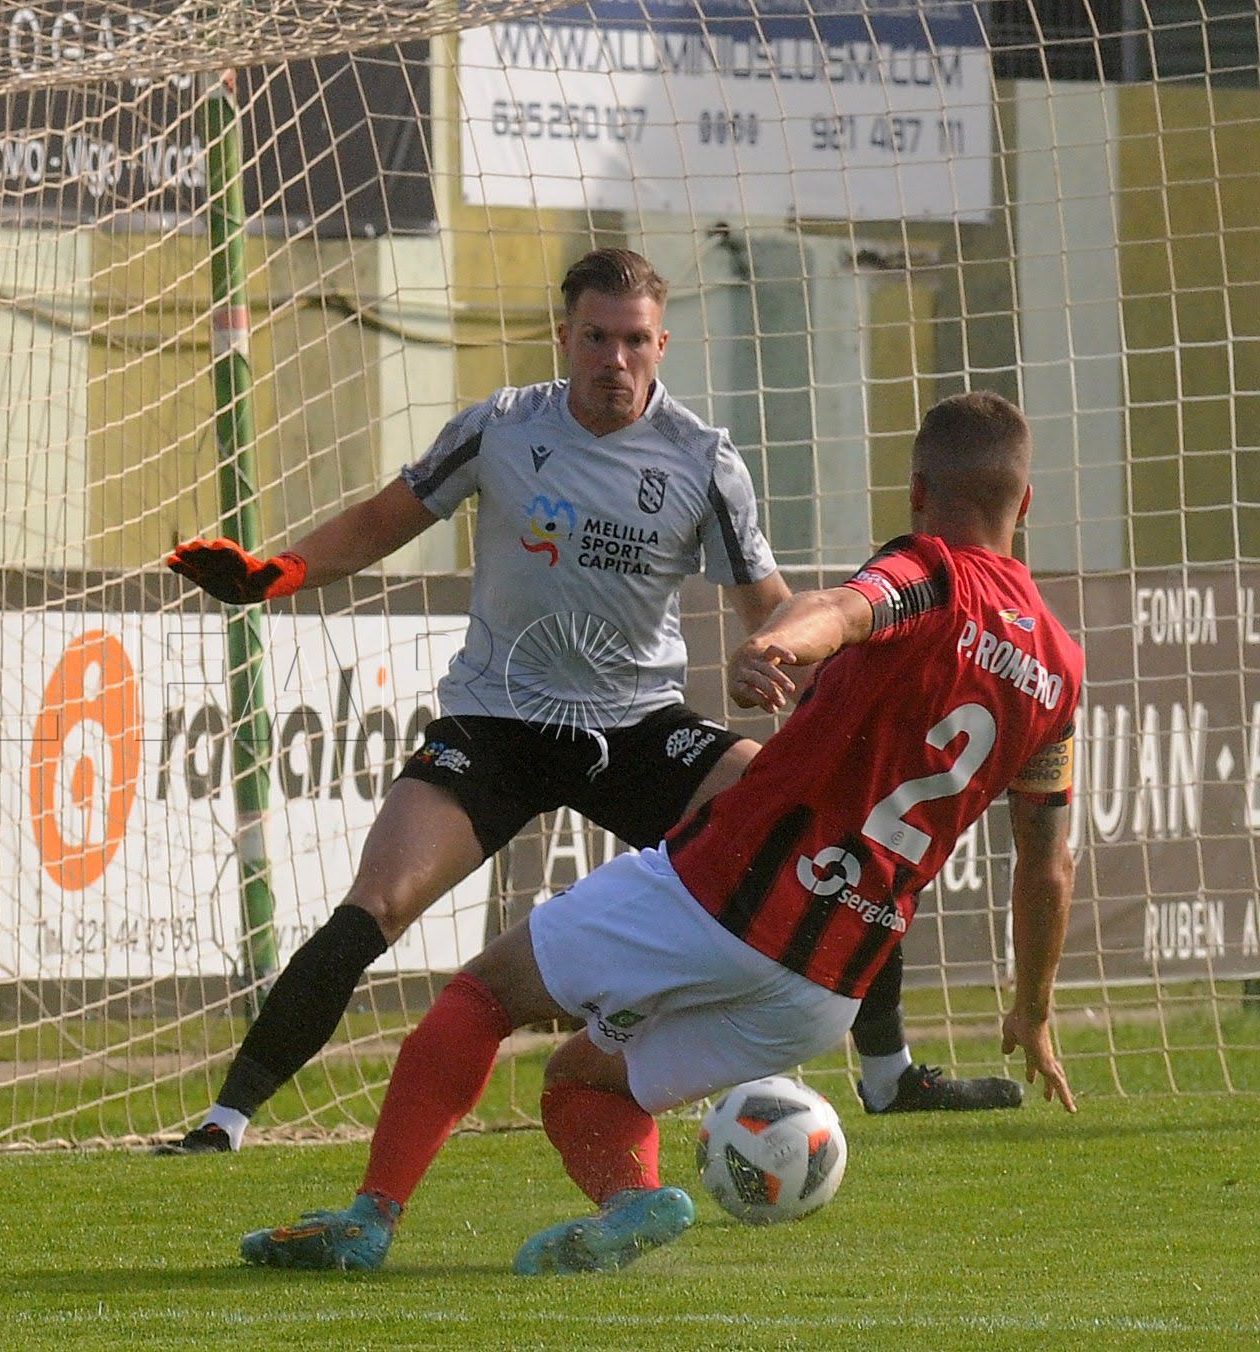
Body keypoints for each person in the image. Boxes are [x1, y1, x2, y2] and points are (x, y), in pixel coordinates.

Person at [159, 248, 1001, 1156]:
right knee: (382, 901)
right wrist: (271, 574)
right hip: (498, 722)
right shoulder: (503, 429)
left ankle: (887, 1075)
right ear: (563, 337)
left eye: (634, 341)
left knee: (825, 828)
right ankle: (225, 1120)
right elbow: (376, 524)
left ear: (662, 345)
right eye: (596, 338)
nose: (614, 359)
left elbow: (772, 607)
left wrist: (775, 658)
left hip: (639, 728)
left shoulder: (701, 461)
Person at [239, 391, 1081, 1275]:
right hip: (827, 988)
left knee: (482, 997)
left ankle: (368, 1220)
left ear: (917, 492)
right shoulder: (1059, 671)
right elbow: (1047, 864)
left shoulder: (931, 570)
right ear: (1026, 503)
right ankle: (635, 1202)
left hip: (725, 894)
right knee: (583, 1080)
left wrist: (781, 645)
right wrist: (1031, 1008)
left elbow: (850, 605)